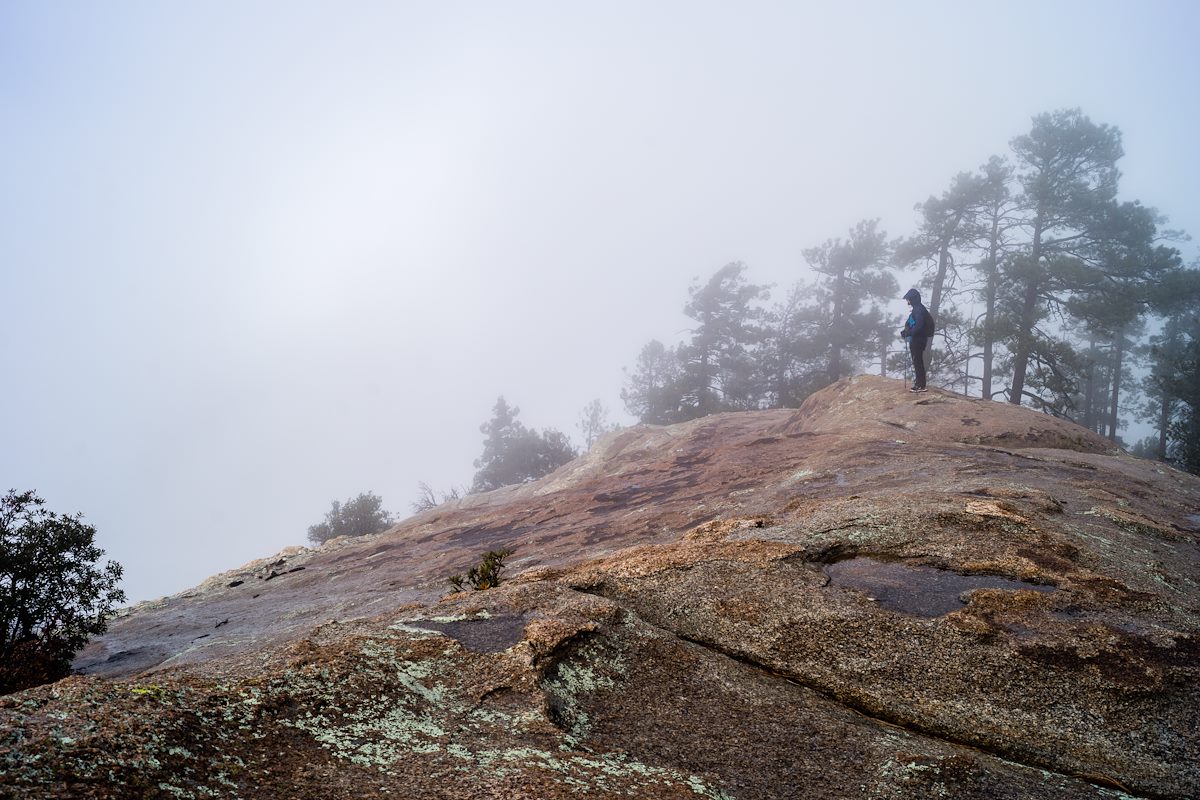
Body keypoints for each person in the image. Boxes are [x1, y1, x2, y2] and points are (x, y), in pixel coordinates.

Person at [899, 288, 932, 392]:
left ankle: (920, 385)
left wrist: (908, 333)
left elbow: (919, 326)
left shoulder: (918, 310)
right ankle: (920, 384)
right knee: (917, 361)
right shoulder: (918, 308)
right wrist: (906, 332)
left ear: (912, 299)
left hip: (918, 340)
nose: (907, 301)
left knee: (917, 361)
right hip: (919, 339)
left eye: (908, 299)